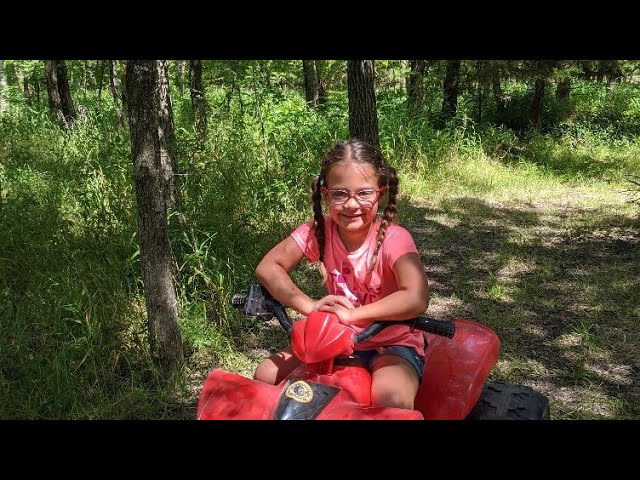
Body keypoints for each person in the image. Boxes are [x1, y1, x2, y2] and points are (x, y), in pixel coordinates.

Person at [253, 138, 429, 410]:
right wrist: (309, 306)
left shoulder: (395, 238)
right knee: (265, 375)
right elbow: (268, 267)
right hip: (334, 340)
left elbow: (416, 297)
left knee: (390, 400)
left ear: (380, 194)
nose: (351, 205)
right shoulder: (318, 231)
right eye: (340, 194)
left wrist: (352, 315)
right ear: (325, 195)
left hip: (391, 343)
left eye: (364, 193)